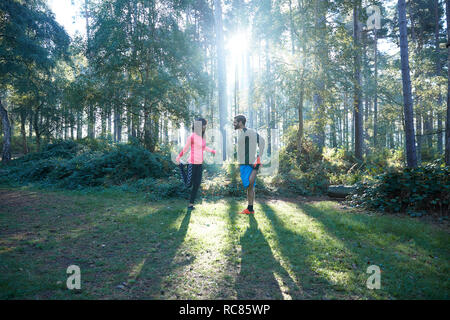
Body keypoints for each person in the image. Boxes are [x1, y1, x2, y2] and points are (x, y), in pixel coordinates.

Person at [176, 118, 216, 210]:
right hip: (192, 163)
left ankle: (190, 205)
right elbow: (186, 148)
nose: (205, 126)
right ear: (199, 125)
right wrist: (178, 157)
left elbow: (204, 148)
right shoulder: (192, 136)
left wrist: (213, 151)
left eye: (205, 125)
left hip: (199, 164)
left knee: (197, 184)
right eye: (204, 124)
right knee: (188, 184)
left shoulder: (202, 136)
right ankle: (181, 166)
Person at [233, 114, 265, 214]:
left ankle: (256, 168)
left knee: (249, 185)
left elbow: (262, 141)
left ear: (240, 122)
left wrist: (259, 156)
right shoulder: (242, 133)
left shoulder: (249, 132)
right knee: (249, 187)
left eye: (235, 122)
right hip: (243, 163)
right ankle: (250, 209)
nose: (233, 124)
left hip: (249, 163)